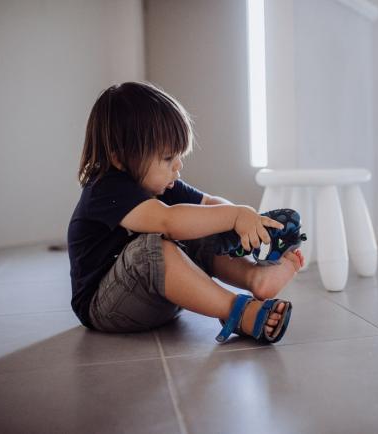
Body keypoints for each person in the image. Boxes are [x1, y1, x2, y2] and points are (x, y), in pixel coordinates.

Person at [67, 82, 304, 343]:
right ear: (120, 158)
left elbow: (210, 205)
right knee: (154, 245)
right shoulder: (104, 188)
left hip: (165, 297)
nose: (177, 166)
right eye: (168, 158)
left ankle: (253, 276)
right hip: (107, 308)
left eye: (179, 156)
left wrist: (246, 224)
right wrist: (234, 215)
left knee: (201, 222)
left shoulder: (161, 185)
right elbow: (168, 221)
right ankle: (238, 311)